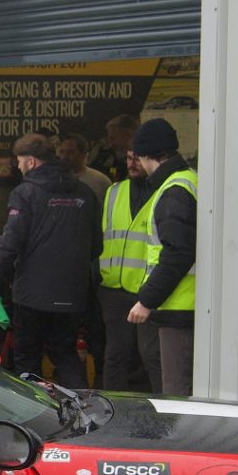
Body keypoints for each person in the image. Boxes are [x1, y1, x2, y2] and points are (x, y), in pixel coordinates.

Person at [0, 134, 98, 388]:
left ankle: (32, 416)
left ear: (31, 162)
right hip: (72, 292)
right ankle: (84, 411)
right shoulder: (85, 193)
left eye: (19, 161)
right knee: (65, 353)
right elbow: (96, 246)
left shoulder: (26, 193)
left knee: (27, 357)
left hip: (33, 294)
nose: (17, 167)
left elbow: (10, 242)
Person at [127, 118, 197, 396]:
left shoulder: (173, 191)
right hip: (184, 305)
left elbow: (177, 253)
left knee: (176, 391)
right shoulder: (189, 180)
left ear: (147, 155)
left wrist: (147, 299)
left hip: (177, 307)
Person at [96, 147, 159, 392]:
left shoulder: (162, 191)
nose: (132, 164)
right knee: (115, 354)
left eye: (137, 159)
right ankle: (112, 408)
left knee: (150, 356)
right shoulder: (114, 191)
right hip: (113, 287)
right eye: (129, 158)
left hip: (147, 286)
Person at [56, 132, 110, 199]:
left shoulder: (100, 181)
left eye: (70, 152)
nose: (64, 156)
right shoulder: (52, 179)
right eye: (62, 152)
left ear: (83, 154)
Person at [91, 113, 139, 185]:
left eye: (113, 138)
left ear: (128, 134)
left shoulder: (145, 161)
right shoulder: (107, 158)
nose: (111, 144)